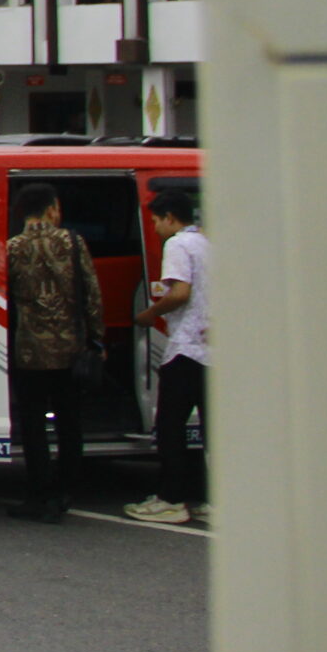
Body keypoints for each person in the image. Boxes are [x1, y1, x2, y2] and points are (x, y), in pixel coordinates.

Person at [6, 182, 104, 523]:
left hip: (30, 349)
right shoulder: (73, 242)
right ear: (52, 208)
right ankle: (65, 490)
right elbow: (91, 295)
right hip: (69, 347)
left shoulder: (13, 248)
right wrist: (97, 339)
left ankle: (37, 493)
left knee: (33, 424)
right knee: (69, 421)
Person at [127, 190, 209, 526]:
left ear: (171, 218)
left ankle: (171, 499)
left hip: (187, 348)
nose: (156, 227)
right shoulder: (210, 244)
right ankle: (212, 499)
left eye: (156, 221)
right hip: (213, 350)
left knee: (170, 427)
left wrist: (150, 314)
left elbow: (180, 291)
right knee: (212, 430)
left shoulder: (178, 244)